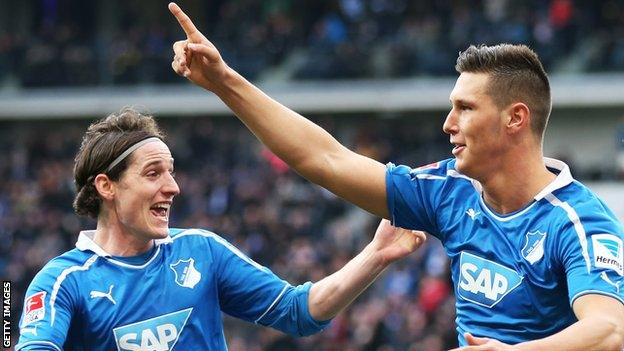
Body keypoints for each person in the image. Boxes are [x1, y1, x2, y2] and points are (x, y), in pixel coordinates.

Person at [168, 2, 624, 350]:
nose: (448, 123)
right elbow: (325, 160)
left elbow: (609, 330)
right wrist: (225, 82)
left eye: (465, 108)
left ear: (515, 118)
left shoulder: (578, 222)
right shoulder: (449, 192)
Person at [15, 108, 426, 351]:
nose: (172, 187)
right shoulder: (61, 282)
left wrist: (377, 254)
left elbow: (298, 311)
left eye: (172, 172)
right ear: (107, 186)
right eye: (153, 173)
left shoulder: (201, 251)